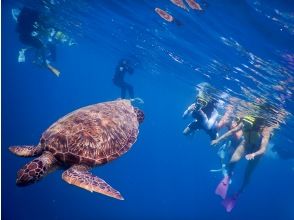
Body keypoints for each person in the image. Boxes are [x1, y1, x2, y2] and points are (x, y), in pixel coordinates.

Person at [211, 114, 273, 212]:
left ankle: (238, 193)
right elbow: (231, 132)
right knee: (232, 161)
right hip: (245, 145)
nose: (244, 125)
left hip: (257, 152)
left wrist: (253, 154)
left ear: (253, 124)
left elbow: (263, 149)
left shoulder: (265, 130)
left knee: (247, 174)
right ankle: (228, 177)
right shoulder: (244, 123)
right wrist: (218, 140)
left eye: (247, 124)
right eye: (244, 123)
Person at [13, 7, 70, 77]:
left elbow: (43, 33)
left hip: (30, 34)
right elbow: (40, 43)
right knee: (42, 47)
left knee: (45, 47)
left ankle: (41, 61)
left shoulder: (36, 21)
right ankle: (41, 61)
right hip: (26, 36)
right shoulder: (30, 23)